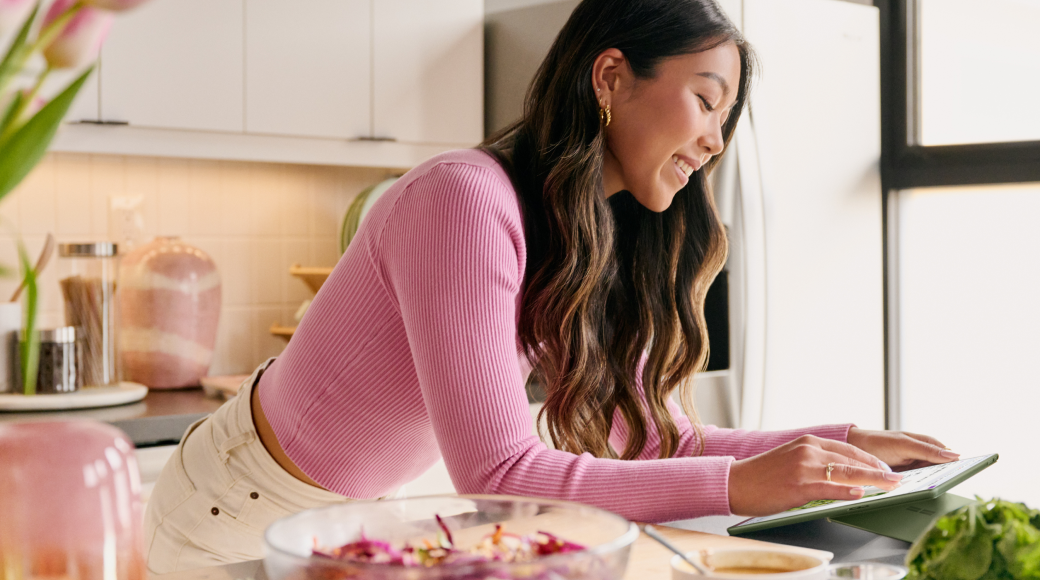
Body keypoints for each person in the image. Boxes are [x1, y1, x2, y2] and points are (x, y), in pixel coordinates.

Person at [143, 0, 958, 572]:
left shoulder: (593, 232)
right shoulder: (463, 199)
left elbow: (655, 438)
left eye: (726, 119)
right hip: (236, 521)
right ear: (610, 77)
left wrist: (840, 448)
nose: (715, 140)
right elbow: (499, 473)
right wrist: (744, 482)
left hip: (352, 523)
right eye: (706, 102)